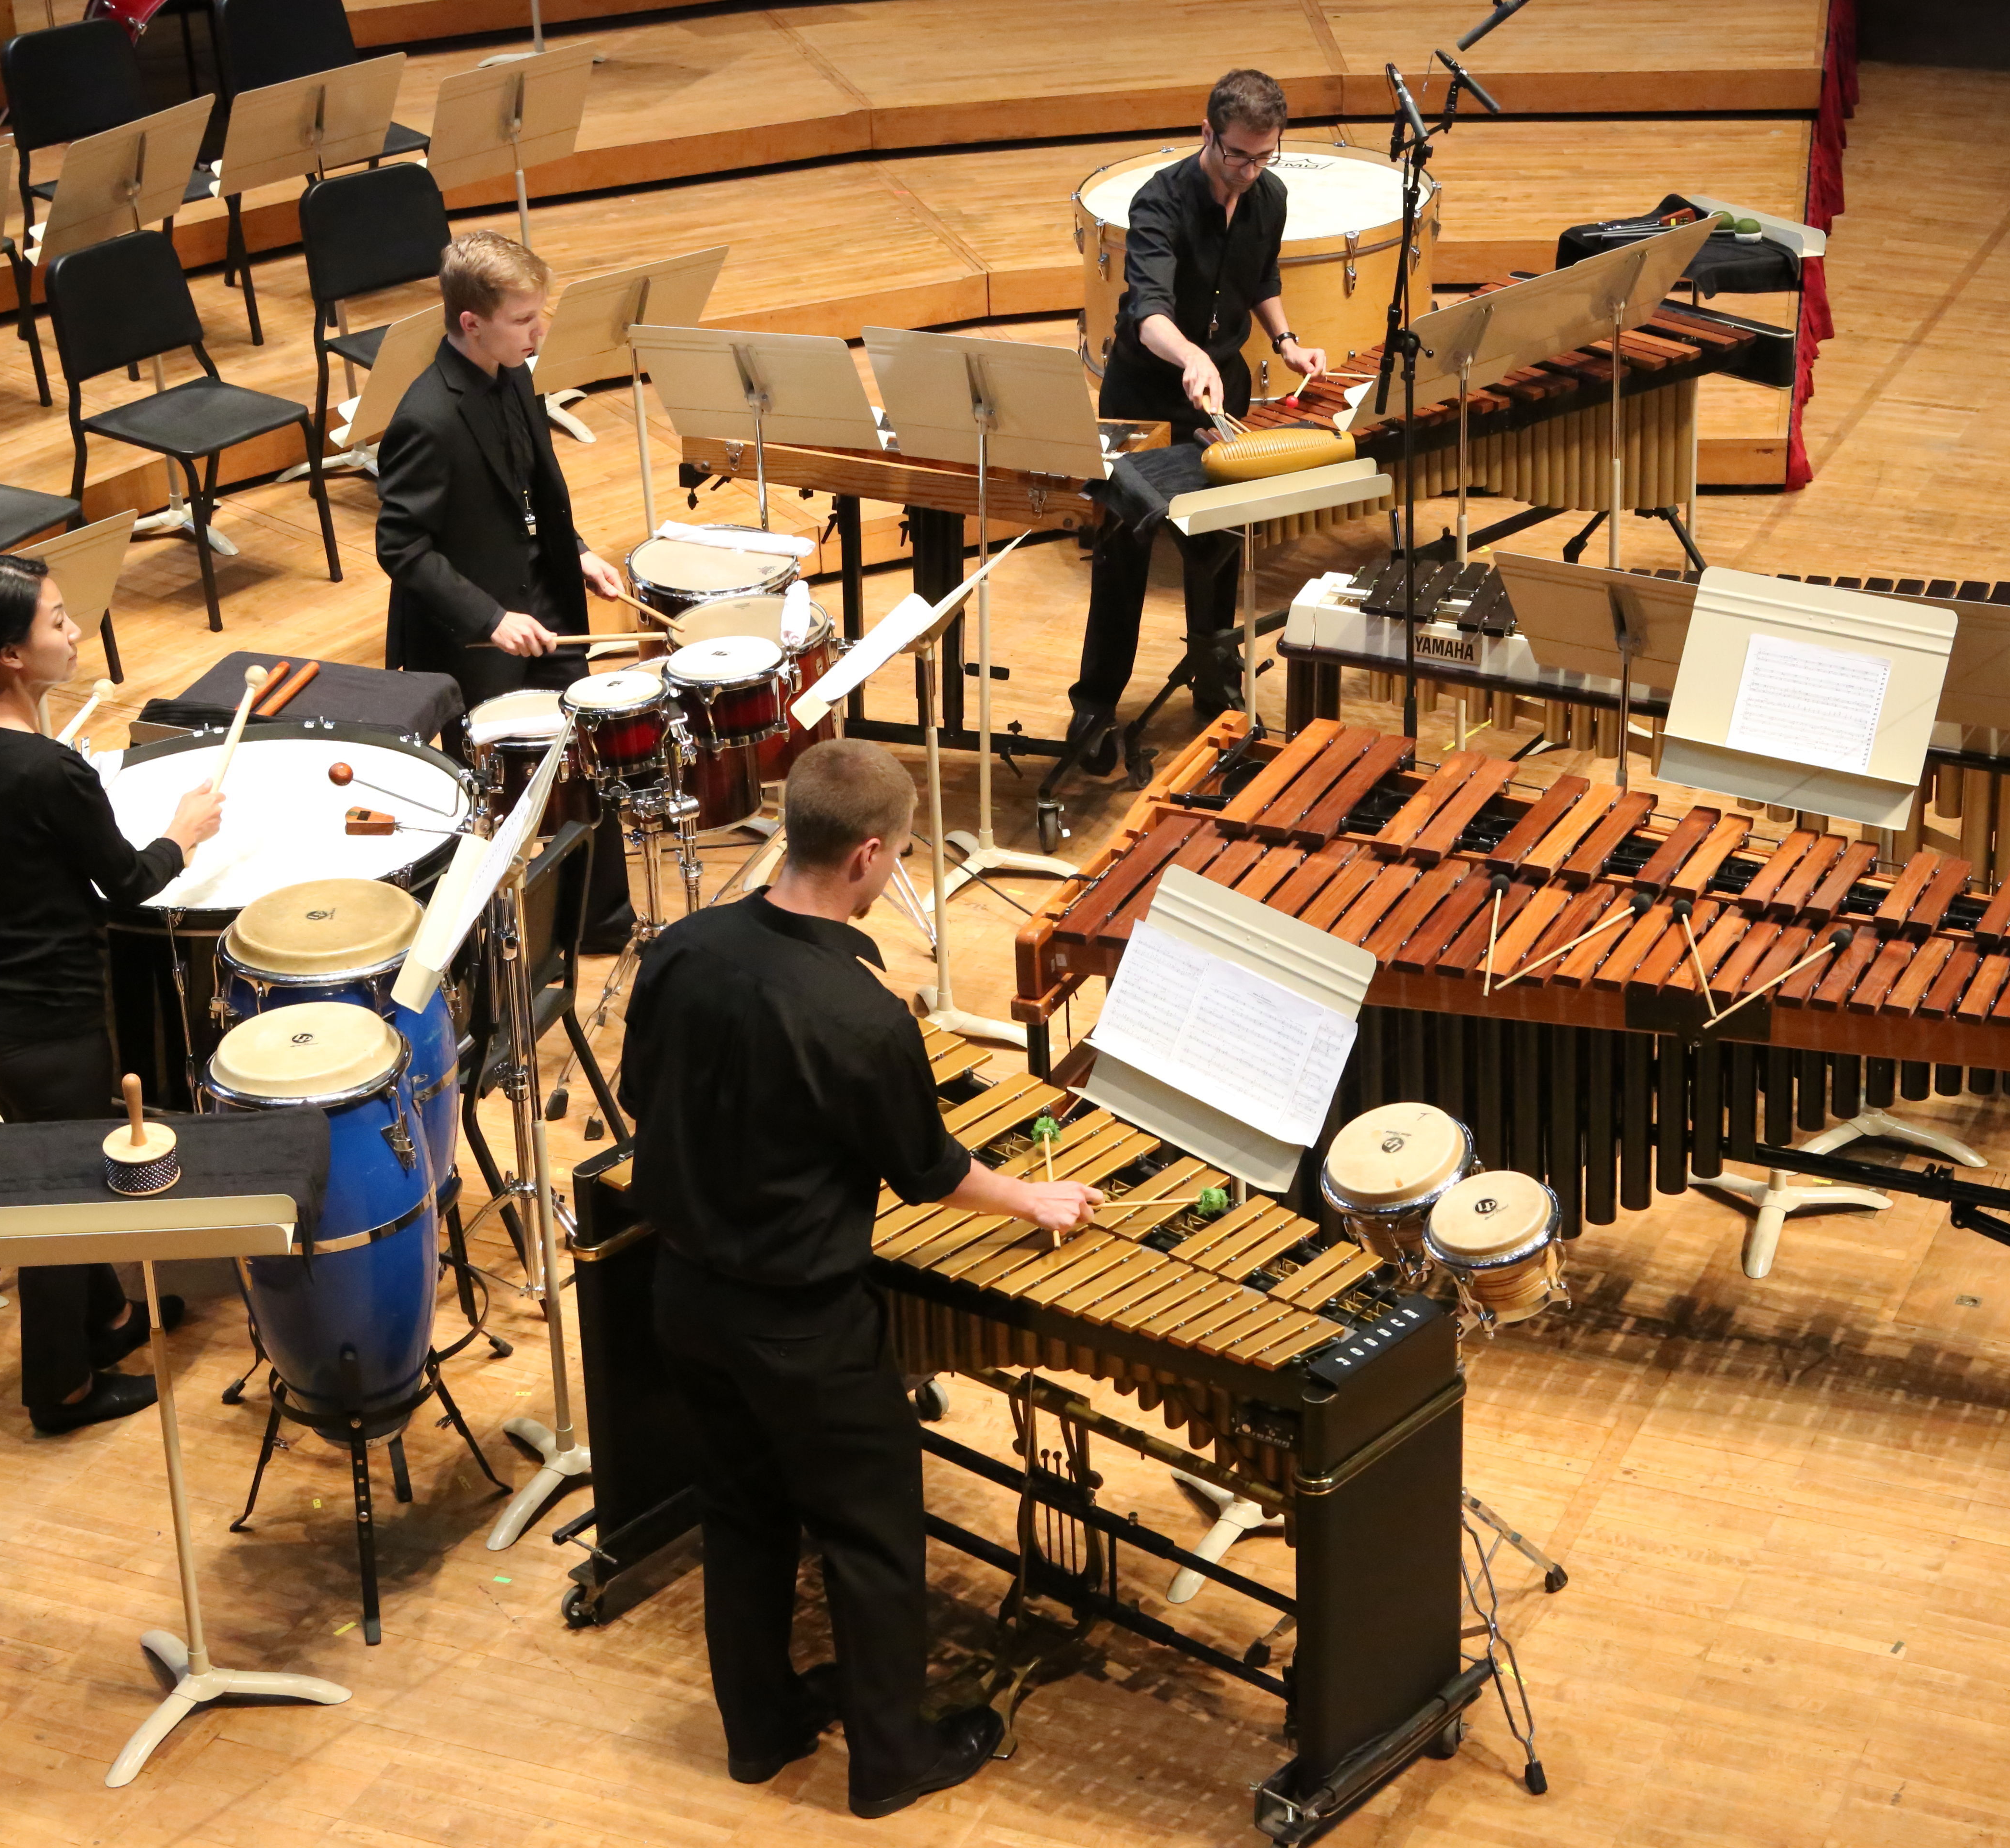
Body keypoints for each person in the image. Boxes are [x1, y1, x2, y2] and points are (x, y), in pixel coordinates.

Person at [619, 739, 1101, 1818]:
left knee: (742, 1516)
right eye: (903, 855)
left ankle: (762, 1731)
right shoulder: (864, 1015)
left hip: (686, 1300)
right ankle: (892, 1760)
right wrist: (1032, 1197)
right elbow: (925, 1169)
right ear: (868, 854)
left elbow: (643, 1091)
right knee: (873, 1539)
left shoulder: (683, 951)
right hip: (802, 1327)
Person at [0, 556, 222, 1434]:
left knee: (54, 1164)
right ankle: (61, 1388)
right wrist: (181, 836)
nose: (74, 628)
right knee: (61, 1201)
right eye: (55, 621)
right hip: (46, 1024)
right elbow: (125, 882)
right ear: (11, 655)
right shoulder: (47, 772)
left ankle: (108, 1320)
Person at [375, 229, 632, 945]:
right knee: (490, 798)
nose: (540, 330)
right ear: (471, 323)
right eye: (525, 319)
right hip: (474, 634)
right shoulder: (425, 418)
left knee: (585, 756)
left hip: (544, 597)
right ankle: (485, 943)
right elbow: (400, 547)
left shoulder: (514, 374)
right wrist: (490, 617)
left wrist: (574, 551)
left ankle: (599, 923)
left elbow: (531, 490)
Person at [1066, 68, 1328, 770]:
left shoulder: (1268, 195)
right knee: (1121, 553)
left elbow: (1261, 279)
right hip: (1146, 394)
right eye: (1237, 154)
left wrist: (1287, 342)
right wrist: (1189, 358)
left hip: (1222, 387)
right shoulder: (1159, 204)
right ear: (1206, 132)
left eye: (1263, 155)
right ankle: (1095, 703)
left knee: (1222, 538)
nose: (1249, 170)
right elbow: (1147, 310)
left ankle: (1213, 673)